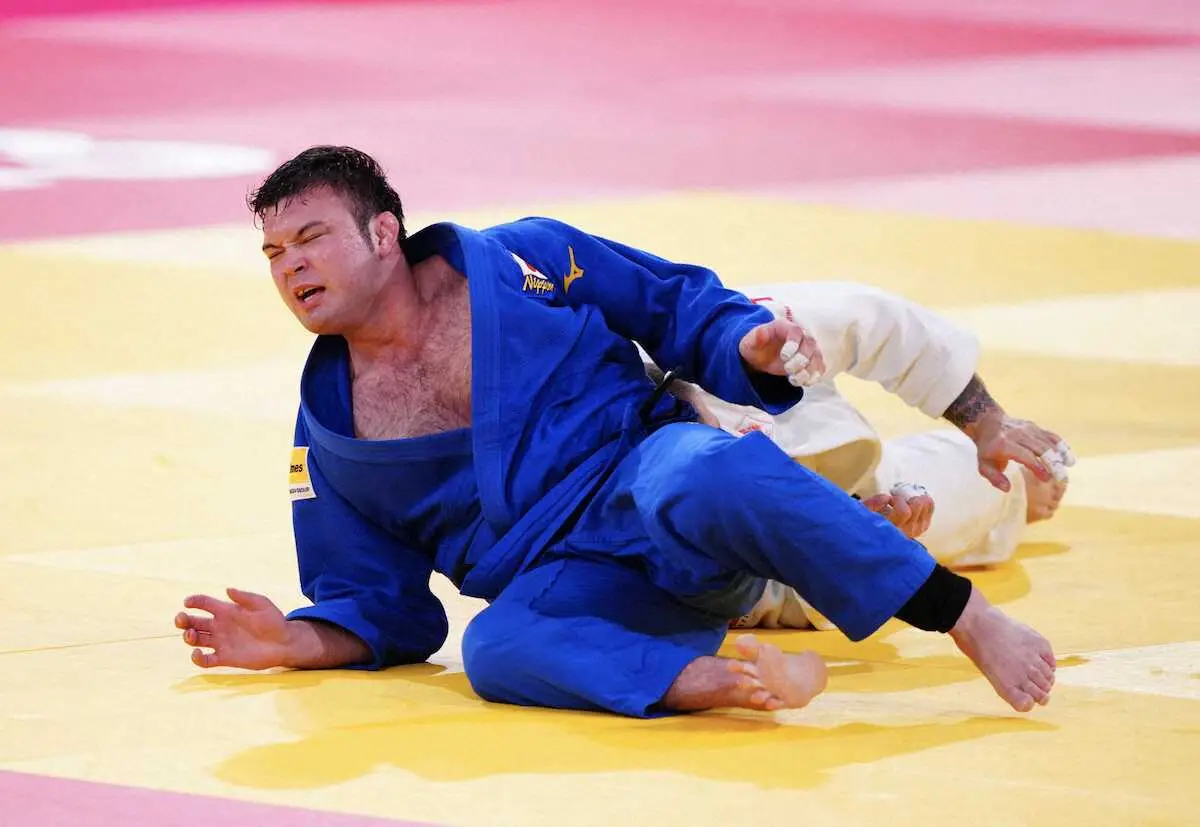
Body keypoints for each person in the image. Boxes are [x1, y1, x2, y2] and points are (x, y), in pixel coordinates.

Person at [175, 146, 1059, 718]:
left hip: (654, 478)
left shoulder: (522, 259)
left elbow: (672, 303)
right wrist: (296, 640)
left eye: (310, 238)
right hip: (574, 579)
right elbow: (377, 602)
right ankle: (718, 681)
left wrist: (744, 344)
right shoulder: (330, 435)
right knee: (496, 649)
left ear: (382, 233)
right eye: (274, 253)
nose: (291, 266)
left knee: (708, 471)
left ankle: (966, 614)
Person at [648, 284, 1073, 630]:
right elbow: (748, 597)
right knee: (967, 499)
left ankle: (1008, 485)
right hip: (788, 538)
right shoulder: (638, 524)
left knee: (983, 475)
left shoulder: (728, 334)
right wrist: (850, 552)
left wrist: (986, 420)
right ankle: (1013, 501)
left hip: (835, 447)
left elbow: (873, 320)